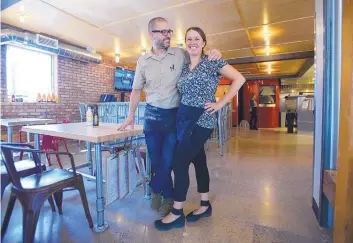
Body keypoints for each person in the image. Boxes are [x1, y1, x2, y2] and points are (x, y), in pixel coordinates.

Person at [118, 17, 222, 217]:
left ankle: (159, 190)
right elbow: (136, 90)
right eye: (163, 32)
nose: (168, 35)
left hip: (174, 117)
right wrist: (131, 115)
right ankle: (166, 195)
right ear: (151, 35)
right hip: (151, 116)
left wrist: (213, 52)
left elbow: (198, 55)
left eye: (169, 31)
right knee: (156, 161)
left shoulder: (179, 54)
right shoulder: (143, 61)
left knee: (169, 161)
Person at [154, 27, 246, 231]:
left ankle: (177, 212)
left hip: (201, 118)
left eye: (197, 38)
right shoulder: (185, 65)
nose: (192, 41)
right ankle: (204, 205)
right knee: (199, 160)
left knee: (179, 162)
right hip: (183, 117)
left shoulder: (212, 61)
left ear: (204, 43)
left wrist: (221, 103)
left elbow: (239, 79)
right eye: (189, 39)